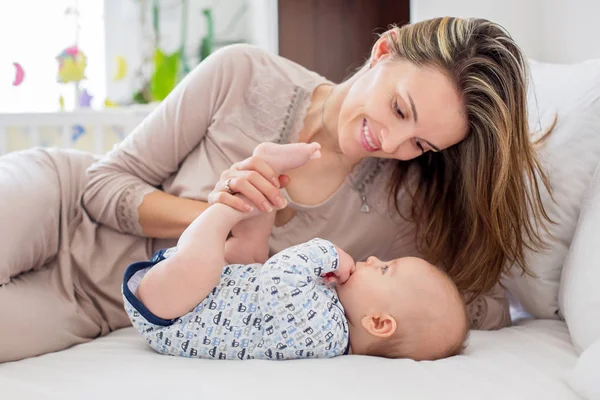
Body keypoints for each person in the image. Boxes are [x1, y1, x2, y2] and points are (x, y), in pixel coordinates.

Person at [0, 16, 551, 363]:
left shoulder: (399, 215)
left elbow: (477, 306)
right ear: (385, 50)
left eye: (422, 144)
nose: (392, 142)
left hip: (100, 307)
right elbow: (101, 186)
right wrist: (223, 212)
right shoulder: (244, 74)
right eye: (401, 109)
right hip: (58, 203)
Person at [123, 142, 469, 360]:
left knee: (203, 265)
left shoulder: (325, 336)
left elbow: (277, 277)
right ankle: (268, 175)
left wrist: (328, 252)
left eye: (384, 270)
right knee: (251, 251)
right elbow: (265, 275)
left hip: (171, 312)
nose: (374, 259)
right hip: (212, 293)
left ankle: (226, 208)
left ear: (378, 323)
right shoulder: (333, 313)